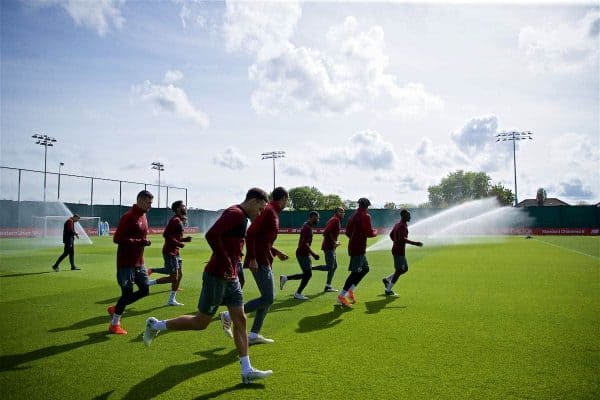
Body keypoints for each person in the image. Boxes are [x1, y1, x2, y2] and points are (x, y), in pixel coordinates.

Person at [143, 188, 273, 384]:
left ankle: (246, 370)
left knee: (240, 320)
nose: (261, 212)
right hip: (217, 277)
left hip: (232, 278)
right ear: (254, 201)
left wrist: (234, 262)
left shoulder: (243, 218)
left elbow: (230, 243)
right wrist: (227, 262)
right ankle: (156, 325)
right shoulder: (235, 214)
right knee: (200, 323)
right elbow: (212, 235)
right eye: (261, 208)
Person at [223, 186, 289, 346]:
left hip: (264, 258)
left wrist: (276, 251)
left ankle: (254, 334)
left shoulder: (271, 211)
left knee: (267, 297)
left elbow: (262, 238)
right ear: (284, 198)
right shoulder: (268, 211)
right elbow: (251, 232)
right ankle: (229, 315)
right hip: (259, 260)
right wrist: (252, 258)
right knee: (268, 297)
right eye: (287, 199)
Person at [107, 190, 154, 335]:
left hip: (139, 263)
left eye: (151, 203)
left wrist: (141, 243)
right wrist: (140, 242)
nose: (150, 206)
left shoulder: (144, 216)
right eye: (148, 202)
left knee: (145, 290)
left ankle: (117, 308)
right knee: (127, 294)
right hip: (125, 263)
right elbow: (117, 239)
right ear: (139, 200)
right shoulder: (128, 216)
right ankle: (114, 324)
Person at [147, 200, 192, 306]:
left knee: (179, 275)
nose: (185, 208)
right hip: (170, 252)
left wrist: (184, 240)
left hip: (175, 252)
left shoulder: (180, 220)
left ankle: (172, 299)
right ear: (178, 209)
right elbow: (166, 235)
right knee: (173, 277)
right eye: (183, 206)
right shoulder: (175, 220)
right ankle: (148, 283)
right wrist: (179, 243)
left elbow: (176, 236)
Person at [337, 198, 377, 307]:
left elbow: (348, 232)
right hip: (358, 249)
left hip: (354, 247)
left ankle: (350, 291)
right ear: (367, 206)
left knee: (365, 269)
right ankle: (341, 296)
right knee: (355, 272)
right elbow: (369, 233)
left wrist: (356, 239)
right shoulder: (366, 216)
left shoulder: (352, 216)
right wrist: (375, 232)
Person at [279, 211, 320, 300]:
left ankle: (286, 279)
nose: (318, 220)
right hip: (302, 254)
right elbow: (305, 243)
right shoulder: (307, 228)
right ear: (312, 217)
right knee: (308, 274)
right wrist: (313, 254)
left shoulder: (307, 225)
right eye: (317, 218)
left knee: (307, 274)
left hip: (304, 253)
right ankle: (297, 293)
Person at [382, 209, 423, 296]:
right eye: (408, 215)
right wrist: (415, 243)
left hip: (398, 251)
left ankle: (387, 279)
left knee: (405, 269)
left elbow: (391, 235)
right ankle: (388, 290)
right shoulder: (402, 226)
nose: (410, 217)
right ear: (403, 216)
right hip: (398, 251)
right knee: (399, 270)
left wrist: (395, 241)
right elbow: (402, 239)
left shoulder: (398, 224)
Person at [311, 207, 345, 292]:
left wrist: (335, 242)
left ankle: (328, 286)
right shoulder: (335, 220)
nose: (343, 213)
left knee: (334, 266)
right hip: (329, 247)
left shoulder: (335, 219)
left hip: (331, 247)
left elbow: (330, 233)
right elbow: (326, 232)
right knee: (330, 267)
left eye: (343, 212)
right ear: (336, 212)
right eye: (341, 212)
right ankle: (310, 267)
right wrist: (334, 242)